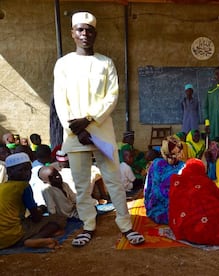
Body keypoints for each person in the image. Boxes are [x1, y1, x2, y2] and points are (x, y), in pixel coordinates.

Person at [53, 11, 144, 247]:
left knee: (113, 181)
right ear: (72, 33)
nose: (85, 34)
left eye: (89, 30)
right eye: (80, 30)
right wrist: (77, 129)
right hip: (75, 135)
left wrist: (89, 119)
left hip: (102, 133)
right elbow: (61, 102)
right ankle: (88, 226)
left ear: (95, 33)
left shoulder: (106, 63)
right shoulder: (63, 64)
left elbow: (111, 98)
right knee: (82, 185)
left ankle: (125, 225)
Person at [0, 153, 66, 249]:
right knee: (58, 219)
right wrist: (42, 209)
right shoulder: (24, 186)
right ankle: (36, 238)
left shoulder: (2, 186)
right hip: (12, 235)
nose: (27, 173)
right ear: (9, 172)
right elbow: (36, 217)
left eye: (28, 169)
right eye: (22, 170)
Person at [169, 158, 219, 245]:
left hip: (183, 228)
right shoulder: (206, 182)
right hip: (207, 228)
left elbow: (173, 205)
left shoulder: (177, 181)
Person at [144, 136, 185, 224]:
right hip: (175, 211)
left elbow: (147, 187)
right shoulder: (183, 166)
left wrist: (148, 204)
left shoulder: (155, 163)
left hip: (153, 210)